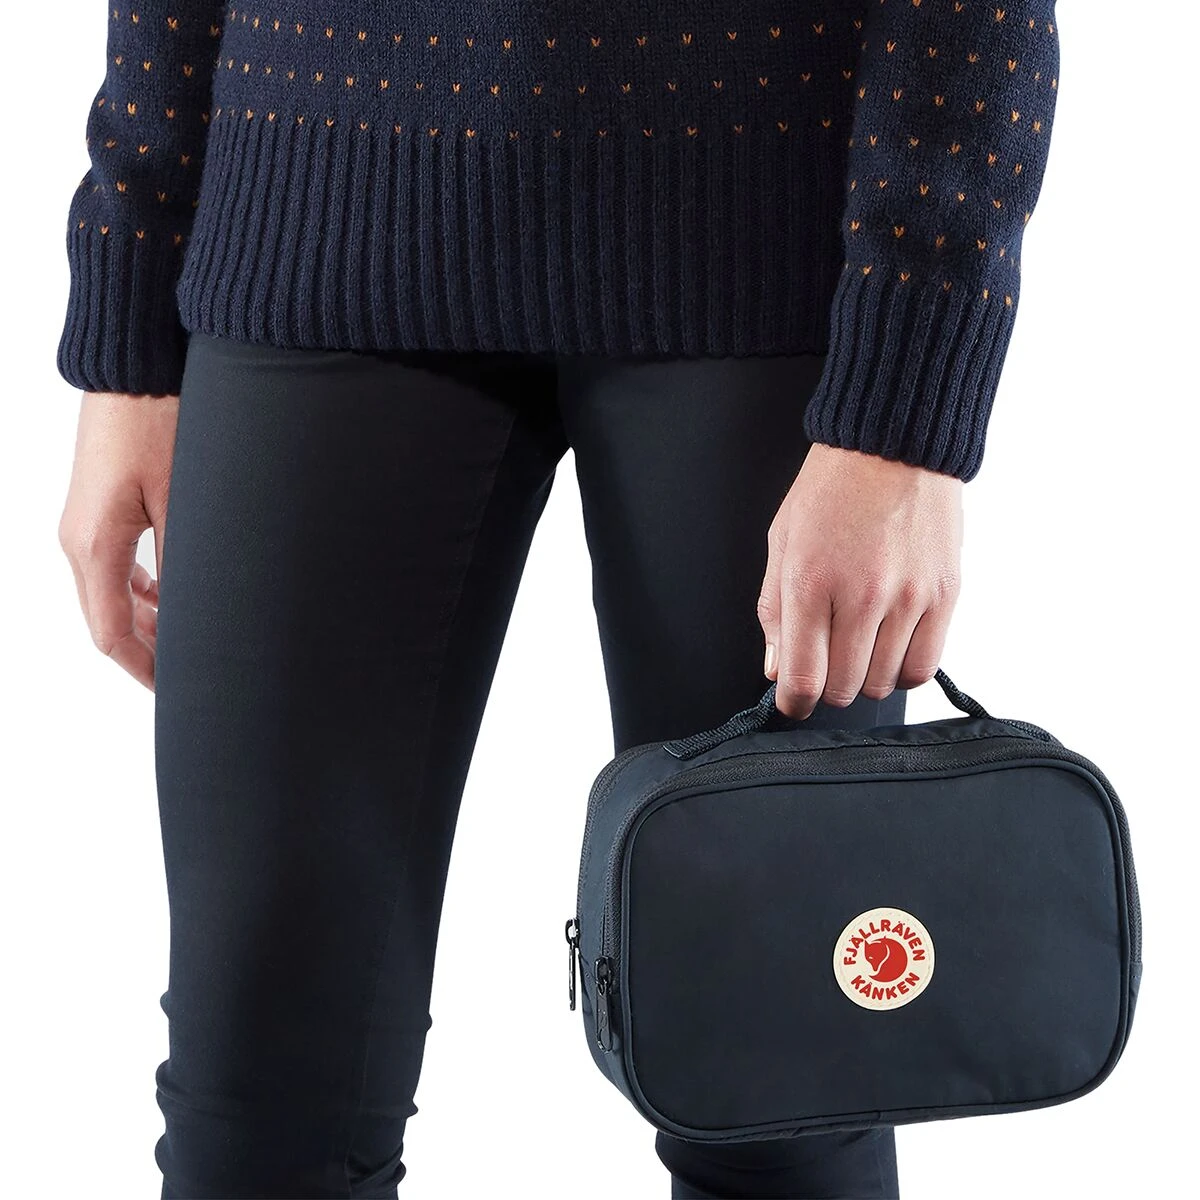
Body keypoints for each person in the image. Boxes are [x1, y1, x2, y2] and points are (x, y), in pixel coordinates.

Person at [54, 4, 1061, 1198]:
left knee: (782, 1097)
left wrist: (902, 409)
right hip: (309, 193)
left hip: (756, 225)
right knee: (252, 1109)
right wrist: (132, 303)